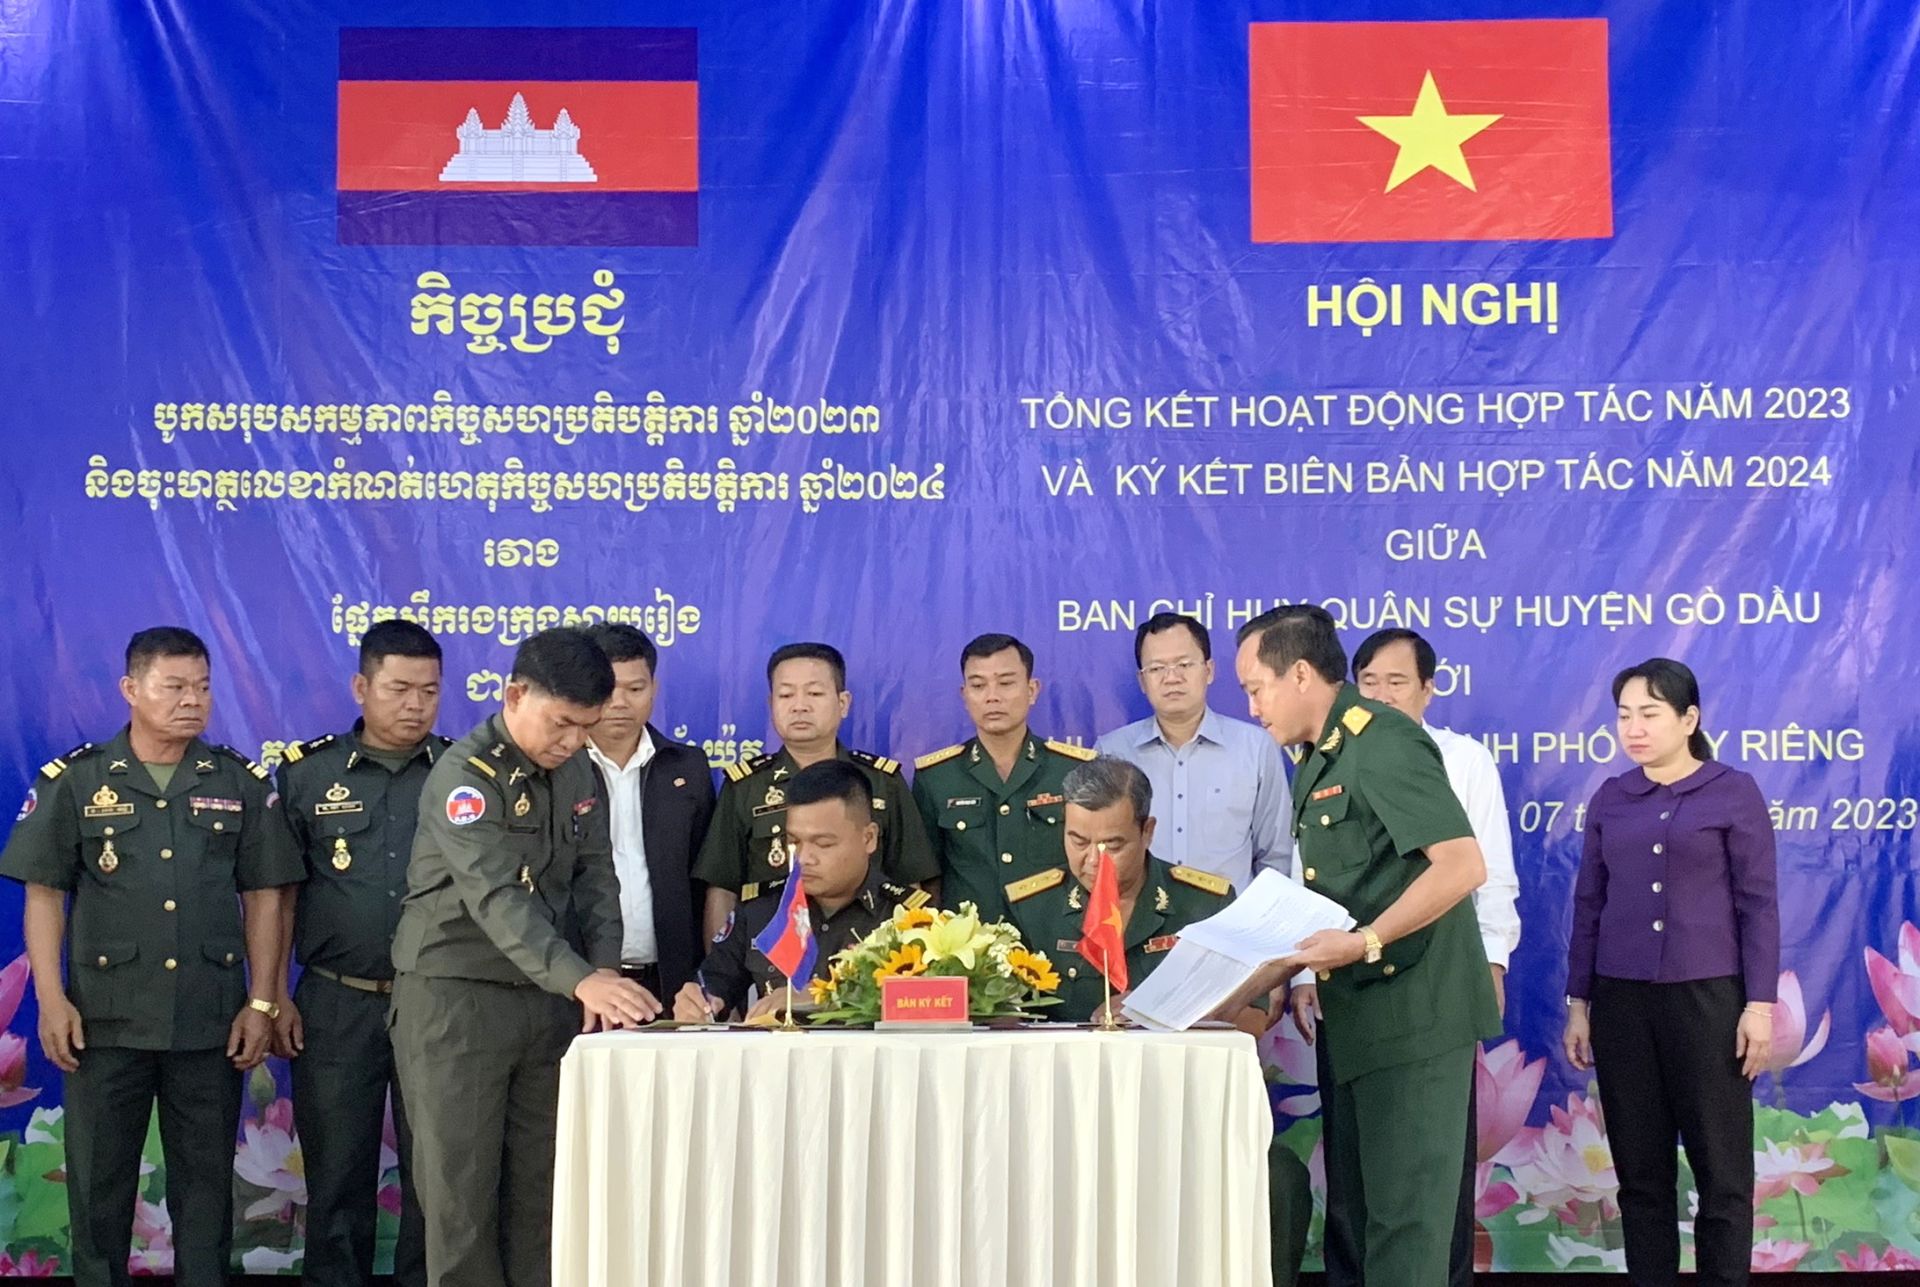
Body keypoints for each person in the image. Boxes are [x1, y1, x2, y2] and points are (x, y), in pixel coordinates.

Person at [0, 626, 301, 1287]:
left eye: (203, 686)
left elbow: (266, 896)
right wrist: (50, 999)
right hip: (104, 1022)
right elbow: (45, 894)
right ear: (131, 690)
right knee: (98, 1190)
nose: (193, 700)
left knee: (206, 1193)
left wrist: (262, 1000)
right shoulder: (78, 780)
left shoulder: (237, 781)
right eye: (175, 686)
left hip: (209, 1021)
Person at [1232, 605, 1499, 1286]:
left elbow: (1462, 865)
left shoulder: (1383, 742)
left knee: (1407, 1231)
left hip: (1415, 1019)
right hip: (1360, 1020)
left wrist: (1365, 941)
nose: (1252, 707)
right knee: (1368, 1223)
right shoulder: (1315, 757)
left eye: (1256, 688)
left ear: (1299, 674)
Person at [389, 628, 661, 1287]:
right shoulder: (465, 777)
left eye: (585, 728)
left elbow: (597, 877)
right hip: (458, 1003)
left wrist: (603, 972)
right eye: (561, 723)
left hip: (546, 1004)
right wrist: (581, 979)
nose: (571, 741)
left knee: (541, 1196)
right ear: (515, 695)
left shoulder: (577, 770)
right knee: (462, 1200)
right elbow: (496, 898)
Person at [1000, 755, 1309, 1287]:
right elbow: (1004, 1024)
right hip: (1066, 1121)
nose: (1093, 861)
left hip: (1183, 1117)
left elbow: (1254, 1018)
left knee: (1279, 1178)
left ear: (1148, 831)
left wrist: (1163, 1015)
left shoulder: (1204, 902)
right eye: (1077, 841)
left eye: (1112, 844)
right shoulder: (1030, 907)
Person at [1301, 625, 1520, 1287]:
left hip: (1426, 989)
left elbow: (1483, 871)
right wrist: (1308, 969)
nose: (1382, 694)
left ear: (1428, 688)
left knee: (1424, 1186)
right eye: (1370, 681)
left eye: (1397, 681)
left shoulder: (1457, 759)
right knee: (1357, 1175)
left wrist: (1492, 961)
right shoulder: (1328, 755)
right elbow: (1309, 874)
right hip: (1351, 990)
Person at [1562, 658, 1777, 1287]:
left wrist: (1759, 1006)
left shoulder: (1732, 791)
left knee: (1723, 1174)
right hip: (1622, 1004)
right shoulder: (1611, 796)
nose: (1634, 728)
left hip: (1708, 1002)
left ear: (1689, 719)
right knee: (1641, 1174)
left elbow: (1758, 905)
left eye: (1650, 714)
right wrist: (1579, 1003)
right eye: (1625, 715)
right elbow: (1589, 903)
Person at [272, 620, 446, 1287]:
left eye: (429, 690)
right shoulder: (308, 776)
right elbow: (279, 895)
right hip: (336, 1000)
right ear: (361, 687)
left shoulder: (461, 774)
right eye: (398, 688)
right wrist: (273, 994)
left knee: (435, 1174)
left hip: (438, 1001)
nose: (415, 705)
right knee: (337, 1173)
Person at [693, 642, 936, 943]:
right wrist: (721, 968)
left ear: (843, 703)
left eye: (815, 693)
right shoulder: (746, 787)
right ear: (771, 704)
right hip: (772, 957)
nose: (800, 706)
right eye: (786, 695)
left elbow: (910, 886)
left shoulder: (883, 783)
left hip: (866, 954)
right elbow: (722, 889)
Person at [674, 760, 916, 1022]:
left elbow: (926, 1007)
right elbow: (714, 980)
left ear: (868, 838)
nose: (804, 858)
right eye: (794, 842)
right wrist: (698, 1000)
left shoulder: (909, 919)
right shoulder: (761, 910)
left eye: (823, 844)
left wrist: (827, 997)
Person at [1093, 612, 1293, 892]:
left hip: (1231, 917)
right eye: (1157, 668)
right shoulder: (1112, 752)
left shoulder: (1256, 748)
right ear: (1142, 681)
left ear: (1208, 671)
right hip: (1139, 917)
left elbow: (1275, 857)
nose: (1171, 677)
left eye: (1184, 664)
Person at [911, 632, 1094, 923]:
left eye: (1006, 683)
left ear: (1032, 690)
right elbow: (928, 878)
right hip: (971, 943)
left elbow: (1093, 866)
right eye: (978, 685)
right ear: (964, 695)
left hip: (1055, 939)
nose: (992, 696)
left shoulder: (1075, 770)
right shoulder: (936, 777)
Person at [583, 624, 717, 1006]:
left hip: (672, 983)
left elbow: (704, 879)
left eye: (635, 689)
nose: (620, 702)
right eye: (608, 689)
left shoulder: (687, 767)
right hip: (583, 983)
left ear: (654, 689)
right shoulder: (559, 769)